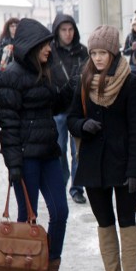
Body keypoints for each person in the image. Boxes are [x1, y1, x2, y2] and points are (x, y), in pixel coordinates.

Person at [0, 17, 75, 271]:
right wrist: (13, 164)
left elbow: (54, 105)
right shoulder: (10, 77)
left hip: (49, 154)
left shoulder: (48, 71)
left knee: (61, 211)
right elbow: (8, 125)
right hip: (26, 158)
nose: (49, 50)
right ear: (31, 46)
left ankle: (50, 270)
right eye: (45, 45)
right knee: (28, 219)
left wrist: (70, 86)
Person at [67, 25, 136, 271]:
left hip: (124, 163)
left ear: (113, 52)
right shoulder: (84, 80)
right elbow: (71, 119)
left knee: (127, 222)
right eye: (94, 53)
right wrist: (82, 125)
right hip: (93, 165)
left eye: (103, 53)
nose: (98, 58)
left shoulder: (130, 82)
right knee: (104, 223)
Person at [50, 13, 89, 205]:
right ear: (57, 31)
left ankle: (77, 187)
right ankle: (61, 182)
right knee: (58, 149)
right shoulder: (50, 52)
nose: (67, 33)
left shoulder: (83, 51)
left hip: (78, 107)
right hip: (57, 108)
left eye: (70, 29)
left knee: (78, 151)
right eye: (64, 30)